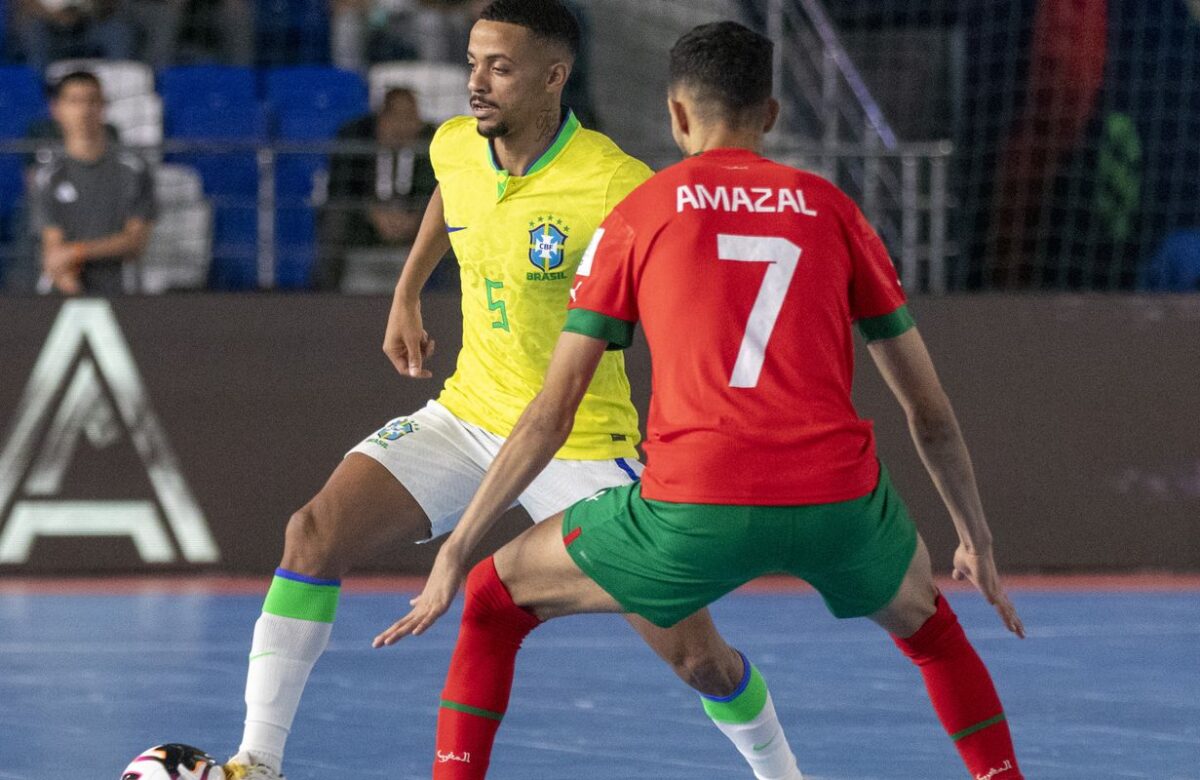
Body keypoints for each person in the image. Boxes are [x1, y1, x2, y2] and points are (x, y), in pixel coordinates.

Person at [375, 20, 1027, 780]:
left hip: (694, 509)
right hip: (838, 505)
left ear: (677, 116)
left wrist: (457, 550)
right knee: (934, 636)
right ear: (773, 115)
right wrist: (973, 536)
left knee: (490, 604)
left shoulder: (641, 213)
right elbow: (930, 411)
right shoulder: (832, 209)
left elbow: (552, 414)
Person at [222, 4, 801, 779]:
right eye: (471, 63)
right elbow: (450, 196)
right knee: (312, 533)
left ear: (554, 77)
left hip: (583, 447)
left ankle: (784, 773)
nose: (476, 83)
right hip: (468, 416)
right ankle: (255, 761)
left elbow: (691, 303)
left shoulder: (614, 184)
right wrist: (408, 291)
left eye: (500, 68)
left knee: (698, 660)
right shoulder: (457, 144)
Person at [31, 70, 155, 295]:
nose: (84, 110)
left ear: (103, 107)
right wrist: (71, 282)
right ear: (56, 109)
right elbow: (53, 246)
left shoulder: (134, 168)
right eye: (74, 101)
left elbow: (135, 241)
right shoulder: (48, 175)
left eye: (92, 101)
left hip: (124, 292)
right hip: (66, 289)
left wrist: (77, 251)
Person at [315, 87, 439, 292]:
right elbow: (340, 189)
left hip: (416, 225)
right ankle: (325, 295)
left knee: (454, 220)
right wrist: (372, 213)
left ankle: (455, 296)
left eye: (409, 118)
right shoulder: (354, 137)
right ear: (381, 119)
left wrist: (418, 216)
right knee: (334, 217)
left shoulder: (432, 141)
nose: (402, 127)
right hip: (363, 227)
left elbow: (438, 190)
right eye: (395, 117)